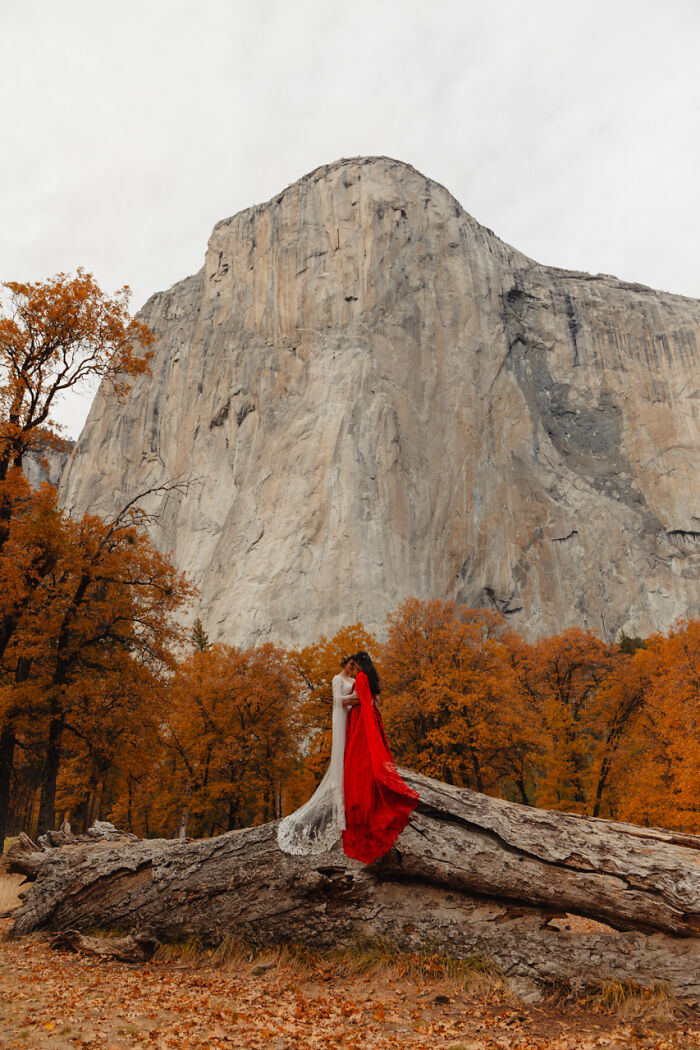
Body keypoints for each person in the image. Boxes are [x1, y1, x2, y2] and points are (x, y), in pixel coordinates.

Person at [341, 651, 419, 864]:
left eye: (355, 664)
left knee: (360, 763)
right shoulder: (371, 677)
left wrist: (342, 701)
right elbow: (372, 701)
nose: (354, 667)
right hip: (371, 717)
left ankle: (362, 811)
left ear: (360, 663)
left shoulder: (361, 678)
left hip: (362, 719)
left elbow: (363, 701)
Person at [276, 656, 357, 855]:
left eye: (355, 664)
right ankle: (340, 814)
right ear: (344, 664)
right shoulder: (337, 679)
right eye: (350, 664)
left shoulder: (354, 681)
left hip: (353, 716)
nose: (352, 667)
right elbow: (337, 699)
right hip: (342, 715)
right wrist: (354, 699)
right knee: (340, 755)